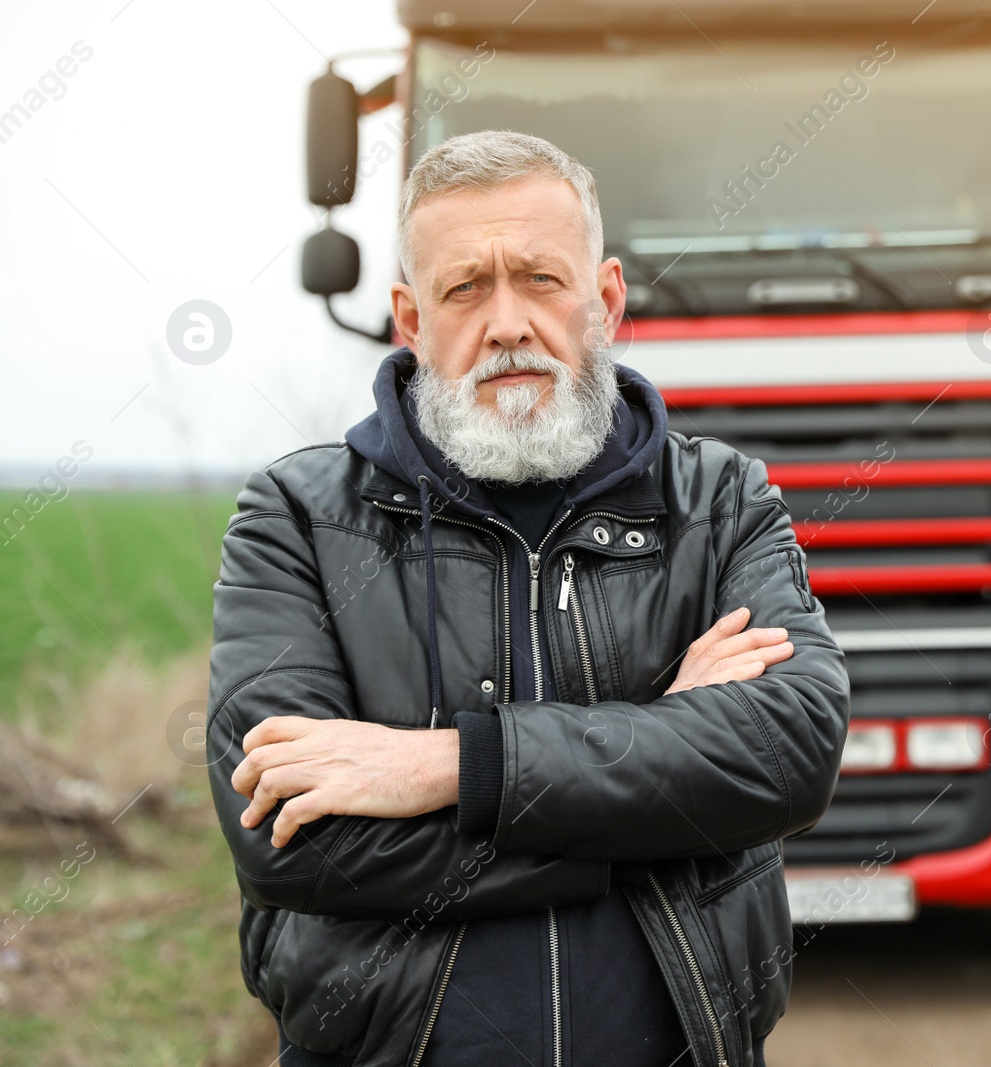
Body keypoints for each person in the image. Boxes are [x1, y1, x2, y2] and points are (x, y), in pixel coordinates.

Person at [205, 129, 849, 1067]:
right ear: (411, 321)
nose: (506, 323)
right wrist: (655, 791)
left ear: (607, 299)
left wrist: (450, 768)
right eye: (465, 287)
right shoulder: (300, 517)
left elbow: (788, 751)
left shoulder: (718, 500)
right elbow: (290, 841)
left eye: (541, 279)